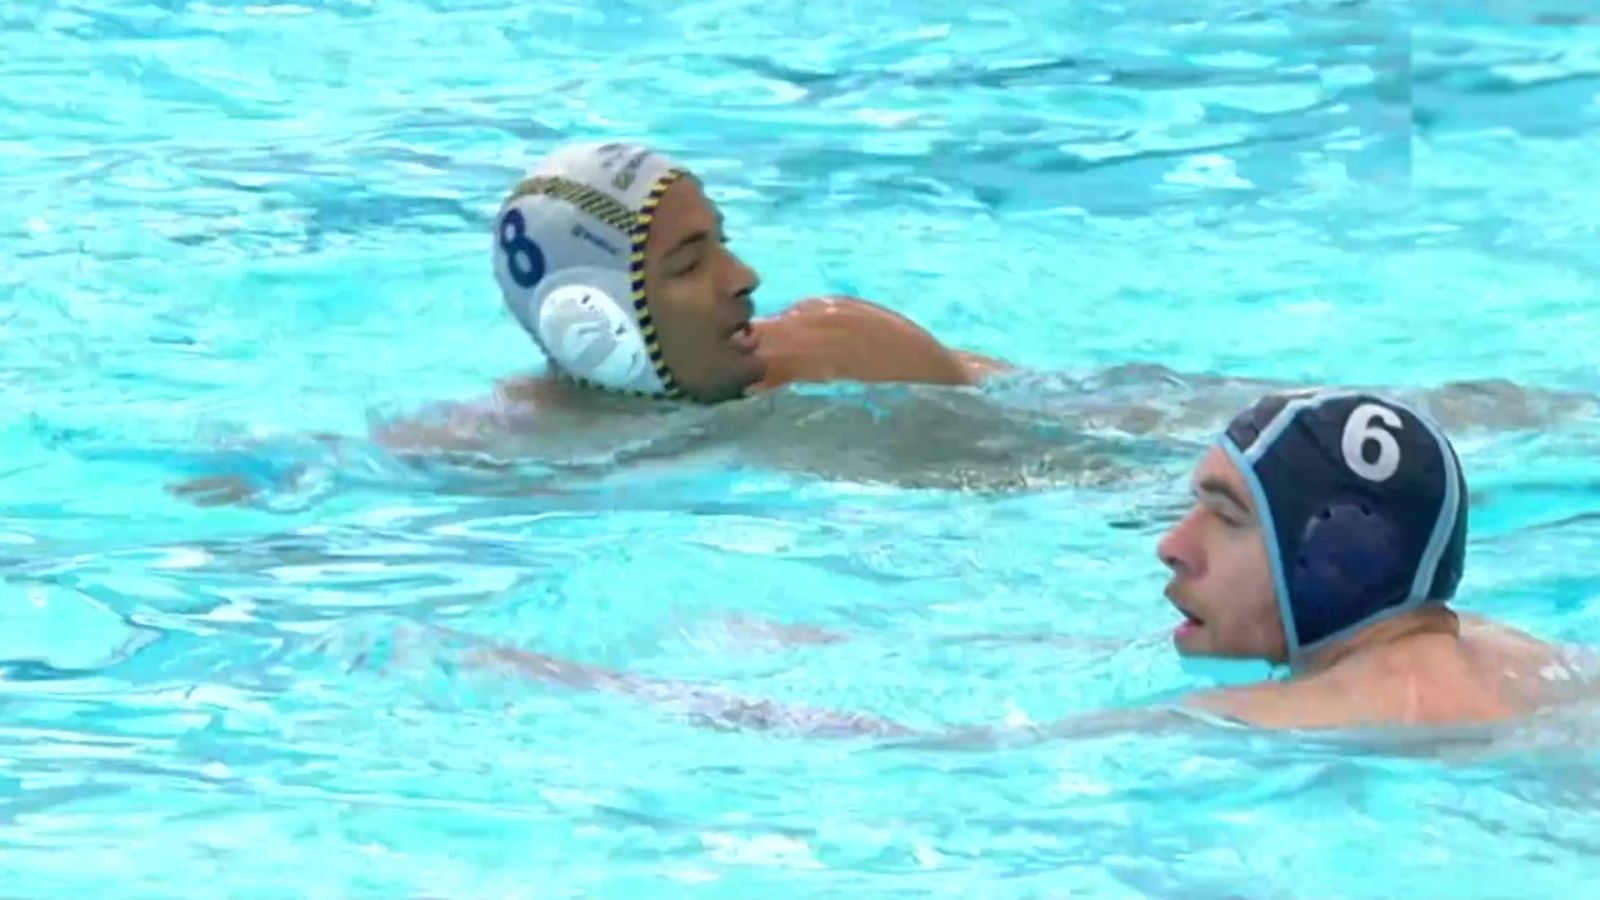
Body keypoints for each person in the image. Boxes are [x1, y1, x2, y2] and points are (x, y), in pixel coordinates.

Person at [457, 388, 1593, 741]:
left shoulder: (1324, 712)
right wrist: (856, 647)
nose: (1170, 545)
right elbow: (1097, 665)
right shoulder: (1493, 651)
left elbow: (955, 752)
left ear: (1333, 557)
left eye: (1224, 517)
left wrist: (616, 693)